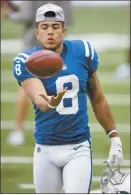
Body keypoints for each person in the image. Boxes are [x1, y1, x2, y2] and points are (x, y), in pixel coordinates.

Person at [13, 3, 124, 193]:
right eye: (44, 27)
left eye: (55, 27)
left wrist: (114, 136)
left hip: (78, 147)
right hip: (44, 149)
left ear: (63, 31)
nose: (50, 32)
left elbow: (97, 97)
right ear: (36, 32)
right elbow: (39, 99)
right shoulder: (26, 62)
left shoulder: (83, 52)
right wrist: (49, 103)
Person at [1, 1, 73, 145]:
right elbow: (67, 20)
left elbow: (26, 16)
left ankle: (18, 130)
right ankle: (57, 130)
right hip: (57, 46)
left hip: (33, 46)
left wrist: (9, 13)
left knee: (25, 88)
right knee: (55, 87)